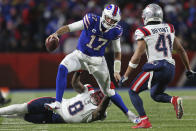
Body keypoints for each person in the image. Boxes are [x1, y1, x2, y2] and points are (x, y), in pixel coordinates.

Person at [45, 4, 137, 122]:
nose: (109, 21)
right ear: (104, 15)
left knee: (109, 91)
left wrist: (117, 70)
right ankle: (58, 103)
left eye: (113, 20)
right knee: (63, 67)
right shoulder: (91, 20)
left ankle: (129, 114)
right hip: (80, 55)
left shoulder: (116, 30)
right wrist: (56, 34)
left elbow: (117, 52)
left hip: (97, 61)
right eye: (108, 18)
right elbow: (69, 27)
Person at [118, 3, 196, 129]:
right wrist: (188, 69)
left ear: (147, 16)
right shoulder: (168, 27)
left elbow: (137, 56)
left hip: (156, 67)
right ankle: (174, 100)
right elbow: (181, 50)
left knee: (132, 91)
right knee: (155, 95)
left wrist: (126, 75)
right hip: (170, 68)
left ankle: (144, 121)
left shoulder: (143, 31)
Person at [0, 71, 111, 123]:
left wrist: (109, 95)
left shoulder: (101, 113)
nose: (97, 97)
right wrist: (78, 72)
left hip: (56, 118)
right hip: (56, 103)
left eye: (100, 98)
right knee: (23, 107)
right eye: (99, 94)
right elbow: (75, 84)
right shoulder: (89, 90)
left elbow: (99, 112)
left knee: (24, 116)